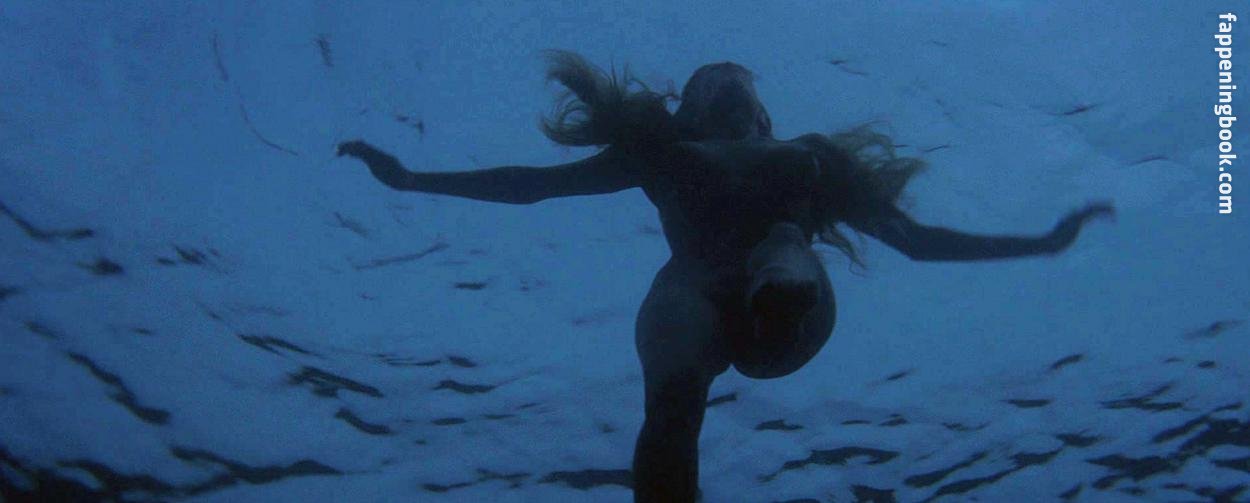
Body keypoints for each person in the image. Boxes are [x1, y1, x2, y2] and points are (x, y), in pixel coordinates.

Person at [337, 51, 1113, 503]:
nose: (731, 85)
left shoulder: (807, 158)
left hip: (791, 307)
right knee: (673, 373)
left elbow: (916, 241)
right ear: (689, 112)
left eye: (741, 82)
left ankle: (777, 296)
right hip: (694, 302)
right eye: (710, 82)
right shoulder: (665, 156)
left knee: (782, 240)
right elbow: (533, 185)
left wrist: (1040, 244)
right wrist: (411, 179)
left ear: (765, 113)